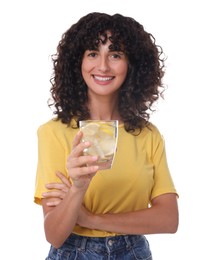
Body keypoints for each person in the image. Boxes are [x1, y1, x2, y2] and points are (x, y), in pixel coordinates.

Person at [34, 12, 179, 260]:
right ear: (77, 61)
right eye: (92, 53)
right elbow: (55, 235)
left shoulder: (148, 135)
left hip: (134, 253)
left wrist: (91, 218)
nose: (102, 66)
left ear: (131, 64)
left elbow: (168, 220)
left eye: (115, 55)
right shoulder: (54, 133)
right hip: (74, 252)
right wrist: (78, 188)